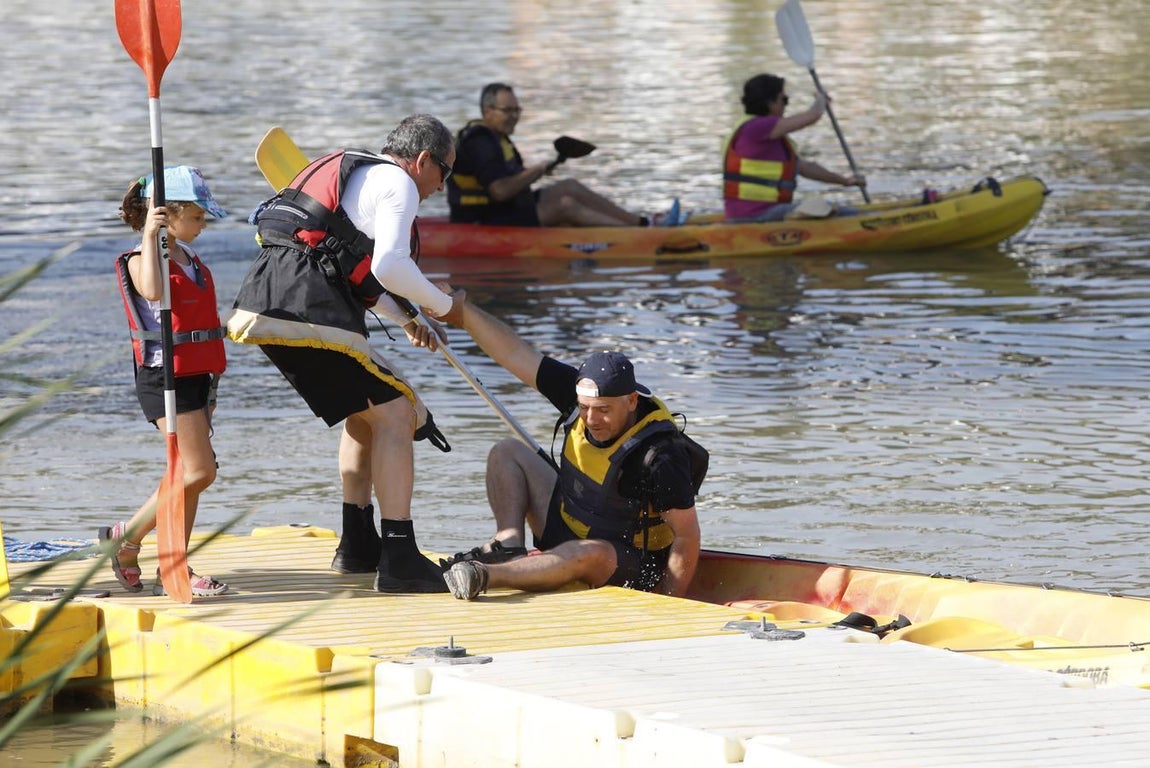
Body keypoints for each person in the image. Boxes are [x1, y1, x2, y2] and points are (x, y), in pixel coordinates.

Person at [227, 114, 464, 593]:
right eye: (445, 171)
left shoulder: (360, 178)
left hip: (268, 301)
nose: (443, 186)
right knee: (398, 414)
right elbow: (392, 264)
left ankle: (357, 545)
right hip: (306, 308)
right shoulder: (398, 182)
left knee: (368, 413)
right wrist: (443, 306)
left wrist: (411, 320)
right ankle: (400, 558)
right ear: (422, 160)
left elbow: (365, 275)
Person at [435, 296, 705, 601]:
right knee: (508, 452)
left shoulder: (661, 455)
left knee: (587, 552)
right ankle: (508, 544)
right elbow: (514, 353)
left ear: (631, 401)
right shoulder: (576, 391)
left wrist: (670, 601)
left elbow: (687, 536)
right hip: (568, 524)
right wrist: (462, 311)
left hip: (620, 559)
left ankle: (483, 575)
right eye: (585, 407)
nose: (591, 419)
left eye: (603, 409)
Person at [100, 165, 230, 597]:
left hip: (197, 376)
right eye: (195, 216)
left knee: (190, 474)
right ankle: (128, 539)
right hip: (165, 377)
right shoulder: (143, 260)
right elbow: (154, 292)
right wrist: (148, 237)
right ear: (166, 215)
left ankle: (170, 564)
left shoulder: (190, 259)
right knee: (197, 470)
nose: (203, 224)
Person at [448, 82, 679, 227]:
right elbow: (499, 191)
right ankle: (640, 235)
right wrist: (537, 170)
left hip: (508, 209)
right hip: (483, 218)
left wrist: (537, 172)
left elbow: (511, 184)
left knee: (570, 186)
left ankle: (642, 222)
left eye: (516, 110)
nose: (514, 116)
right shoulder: (480, 141)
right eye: (507, 111)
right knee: (565, 205)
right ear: (488, 111)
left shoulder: (497, 136)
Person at [723, 73, 866, 222]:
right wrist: (820, 100)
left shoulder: (766, 135)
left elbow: (805, 168)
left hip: (764, 212)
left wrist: (844, 181)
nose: (786, 105)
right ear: (770, 103)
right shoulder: (756, 127)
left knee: (834, 209)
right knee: (837, 212)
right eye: (784, 100)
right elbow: (812, 116)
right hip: (756, 216)